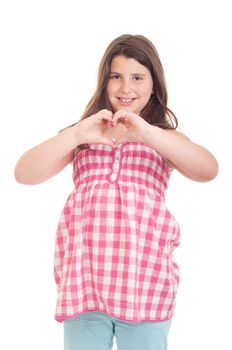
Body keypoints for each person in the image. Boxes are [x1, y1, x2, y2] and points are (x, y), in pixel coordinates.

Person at [14, 34, 218, 350]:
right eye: (116, 77)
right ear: (104, 82)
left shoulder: (162, 137)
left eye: (137, 77)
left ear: (154, 84)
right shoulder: (84, 134)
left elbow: (208, 169)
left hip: (144, 287)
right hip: (85, 287)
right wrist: (77, 133)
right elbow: (24, 173)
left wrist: (147, 132)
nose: (125, 88)